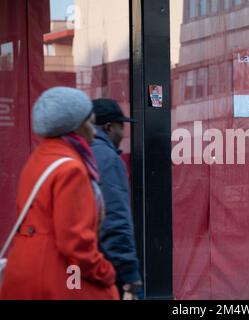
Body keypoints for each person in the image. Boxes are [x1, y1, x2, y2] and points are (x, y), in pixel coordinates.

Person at [0, 87, 119, 300]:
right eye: (90, 123)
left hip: (23, 272)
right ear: (73, 128)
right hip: (55, 279)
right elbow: (75, 242)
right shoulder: (72, 169)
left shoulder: (39, 159)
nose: (94, 132)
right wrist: (107, 273)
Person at [91, 98, 143, 300]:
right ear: (108, 127)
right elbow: (114, 219)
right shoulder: (108, 159)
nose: (124, 133)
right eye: (122, 126)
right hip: (105, 264)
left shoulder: (80, 153)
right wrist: (129, 272)